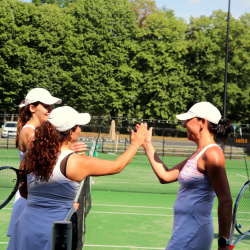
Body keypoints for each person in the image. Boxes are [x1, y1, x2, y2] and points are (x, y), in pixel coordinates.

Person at [7, 106, 148, 250]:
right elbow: (117, 166)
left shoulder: (32, 155)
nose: (81, 128)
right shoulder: (76, 162)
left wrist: (58, 201)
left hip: (25, 228)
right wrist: (136, 144)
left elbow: (24, 192)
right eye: (79, 125)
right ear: (71, 132)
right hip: (55, 234)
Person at [140, 102, 233, 250]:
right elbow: (165, 176)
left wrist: (224, 243)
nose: (183, 125)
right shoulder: (198, 154)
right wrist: (147, 144)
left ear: (202, 122)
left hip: (194, 233)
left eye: (187, 121)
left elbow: (226, 201)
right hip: (183, 232)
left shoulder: (213, 154)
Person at [7, 88, 87, 237]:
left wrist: (66, 150)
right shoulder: (30, 132)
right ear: (32, 108)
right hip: (30, 199)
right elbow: (42, 162)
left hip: (34, 198)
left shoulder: (38, 131)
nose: (50, 110)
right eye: (46, 106)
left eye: (51, 106)